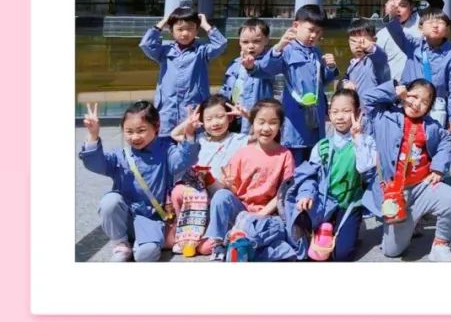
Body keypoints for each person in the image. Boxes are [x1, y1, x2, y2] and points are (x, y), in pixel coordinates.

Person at [78, 100, 199, 262]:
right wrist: (93, 135)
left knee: (146, 255)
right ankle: (120, 243)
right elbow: (96, 163)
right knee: (110, 201)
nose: (135, 137)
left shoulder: (166, 150)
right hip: (124, 218)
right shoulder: (120, 155)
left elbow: (184, 160)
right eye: (129, 131)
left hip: (150, 219)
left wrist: (189, 135)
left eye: (141, 130)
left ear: (156, 127)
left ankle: (143, 244)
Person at [360, 78, 451, 261]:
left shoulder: (430, 126)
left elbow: (446, 140)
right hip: (394, 193)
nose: (417, 104)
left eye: (425, 102)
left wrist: (438, 169)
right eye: (414, 96)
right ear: (404, 93)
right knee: (392, 251)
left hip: (421, 188)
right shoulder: (385, 115)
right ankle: (411, 222)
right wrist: (393, 89)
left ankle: (440, 245)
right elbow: (365, 98)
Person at [284, 87, 378, 261]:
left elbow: (365, 168)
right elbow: (309, 175)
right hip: (324, 202)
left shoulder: (366, 142)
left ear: (358, 113)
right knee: (301, 238)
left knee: (341, 255)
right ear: (329, 114)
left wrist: (358, 139)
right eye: (335, 112)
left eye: (346, 111)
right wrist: (306, 195)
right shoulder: (322, 146)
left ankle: (349, 226)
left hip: (350, 203)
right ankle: (328, 225)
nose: (340, 117)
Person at [204, 99, 295, 259]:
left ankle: (241, 244)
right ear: (253, 124)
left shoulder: (285, 155)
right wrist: (227, 185)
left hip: (267, 215)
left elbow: (284, 193)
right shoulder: (243, 153)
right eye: (261, 122)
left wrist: (262, 213)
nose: (266, 128)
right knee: (221, 196)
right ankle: (218, 244)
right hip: (242, 211)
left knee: (276, 229)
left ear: (280, 126)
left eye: (273, 123)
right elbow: (235, 190)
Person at [249, 4, 338, 165]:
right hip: (295, 119)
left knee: (316, 160)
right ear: (296, 25)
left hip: (316, 117)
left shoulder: (316, 52)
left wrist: (330, 68)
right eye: (310, 30)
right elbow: (265, 70)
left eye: (318, 32)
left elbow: (321, 83)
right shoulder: (287, 50)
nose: (314, 35)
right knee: (293, 162)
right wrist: (278, 47)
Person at [168, 95, 248, 255]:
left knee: (206, 249)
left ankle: (223, 233)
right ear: (202, 122)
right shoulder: (200, 139)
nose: (215, 123)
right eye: (209, 119)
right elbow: (174, 134)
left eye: (220, 116)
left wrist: (247, 116)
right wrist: (189, 122)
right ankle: (185, 231)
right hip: (199, 198)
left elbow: (261, 136)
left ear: (230, 117)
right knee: (177, 191)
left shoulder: (240, 139)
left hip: (221, 196)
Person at [139, 7, 227, 132]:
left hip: (193, 108)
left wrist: (206, 25)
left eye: (190, 29)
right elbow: (146, 44)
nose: (185, 33)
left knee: (193, 138)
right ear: (171, 31)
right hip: (168, 109)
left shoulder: (201, 51)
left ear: (197, 30)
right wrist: (163, 22)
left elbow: (221, 44)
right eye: (180, 29)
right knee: (166, 139)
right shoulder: (164, 51)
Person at [383, 0, 451, 131]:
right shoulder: (412, 45)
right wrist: (391, 15)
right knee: (406, 136)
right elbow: (397, 33)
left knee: (432, 137)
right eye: (430, 22)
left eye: (440, 22)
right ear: (420, 28)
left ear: (447, 30)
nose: (435, 26)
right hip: (410, 100)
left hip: (436, 105)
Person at [376, 0, 445, 83]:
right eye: (393, 5)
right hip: (393, 85)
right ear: (386, 7)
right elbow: (376, 63)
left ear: (411, 6)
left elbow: (438, 6)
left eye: (403, 5)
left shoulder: (419, 20)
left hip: (417, 85)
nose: (397, 9)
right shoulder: (382, 34)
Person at [219, 17, 274, 134]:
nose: (251, 46)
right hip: (233, 115)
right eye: (245, 42)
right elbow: (225, 89)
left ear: (266, 40)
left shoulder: (269, 64)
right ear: (239, 42)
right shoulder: (234, 64)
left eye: (256, 41)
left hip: (255, 118)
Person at [341, 17, 391, 98]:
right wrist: (345, 83)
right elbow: (344, 78)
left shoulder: (374, 61)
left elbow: (381, 57)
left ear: (374, 40)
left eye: (363, 40)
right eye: (353, 41)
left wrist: (370, 48)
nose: (358, 45)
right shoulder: (352, 65)